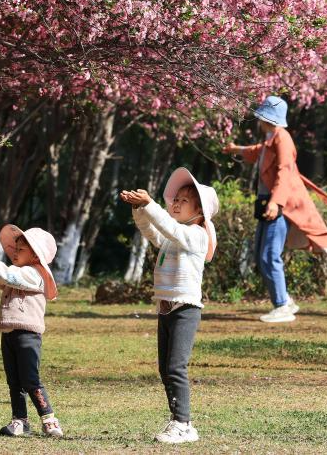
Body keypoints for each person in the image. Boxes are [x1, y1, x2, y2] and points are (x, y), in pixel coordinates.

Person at [120, 168, 218, 445]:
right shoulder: (174, 238)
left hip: (185, 308)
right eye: (175, 199)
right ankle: (179, 420)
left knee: (176, 367)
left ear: (199, 211)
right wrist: (140, 209)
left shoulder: (197, 235)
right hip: (165, 307)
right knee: (165, 368)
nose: (175, 203)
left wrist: (151, 204)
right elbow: (152, 231)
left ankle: (183, 424)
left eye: (184, 201)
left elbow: (171, 229)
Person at [223, 95, 327, 323]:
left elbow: (284, 170)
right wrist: (237, 149)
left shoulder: (282, 138)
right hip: (270, 203)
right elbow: (258, 151)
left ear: (266, 118)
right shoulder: (272, 137)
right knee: (262, 254)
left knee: (269, 255)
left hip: (278, 205)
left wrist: (276, 202)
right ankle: (284, 300)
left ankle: (282, 305)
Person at [0, 225, 64, 437]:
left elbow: (9, 275)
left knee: (30, 380)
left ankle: (49, 419)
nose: (15, 252)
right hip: (9, 334)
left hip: (28, 336)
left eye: (21, 249)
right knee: (14, 381)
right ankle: (20, 421)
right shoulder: (18, 274)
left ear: (35, 256)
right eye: (15, 248)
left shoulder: (34, 274)